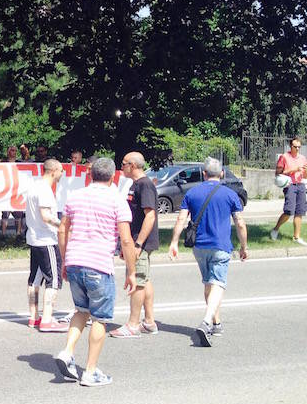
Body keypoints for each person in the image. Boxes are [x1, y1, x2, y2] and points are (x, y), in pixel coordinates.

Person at [53, 157, 137, 387]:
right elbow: (126, 240)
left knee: (81, 310)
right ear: (112, 177)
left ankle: (67, 352)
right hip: (99, 264)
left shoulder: (75, 197)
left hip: (74, 262)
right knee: (100, 318)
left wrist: (64, 261)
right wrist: (131, 271)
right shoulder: (117, 201)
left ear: (90, 175)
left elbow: (62, 230)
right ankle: (90, 371)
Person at [168, 157, 248, 346]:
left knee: (208, 284)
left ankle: (216, 322)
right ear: (221, 174)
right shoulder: (230, 195)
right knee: (218, 284)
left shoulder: (192, 193)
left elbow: (181, 219)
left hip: (199, 247)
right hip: (220, 246)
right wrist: (244, 246)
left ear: (204, 174)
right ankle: (205, 322)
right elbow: (240, 223)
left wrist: (174, 242)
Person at [110, 152, 160, 338]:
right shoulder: (136, 184)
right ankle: (149, 322)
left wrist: (138, 244)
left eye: (123, 164)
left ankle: (133, 324)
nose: (121, 167)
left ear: (132, 165)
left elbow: (150, 215)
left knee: (138, 280)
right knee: (144, 279)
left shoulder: (144, 185)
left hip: (140, 242)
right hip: (135, 240)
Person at [25, 159, 67, 332]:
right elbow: (46, 216)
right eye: (61, 170)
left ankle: (34, 317)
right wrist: (63, 226)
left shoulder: (34, 186)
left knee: (34, 278)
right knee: (53, 280)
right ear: (53, 170)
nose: (62, 173)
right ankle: (47, 319)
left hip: (34, 239)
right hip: (46, 240)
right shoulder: (44, 189)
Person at [270, 137, 307, 245]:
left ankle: (296, 237)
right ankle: (275, 229)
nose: (298, 149)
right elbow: (278, 173)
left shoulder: (303, 158)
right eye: (295, 147)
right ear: (291, 146)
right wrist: (294, 169)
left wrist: (305, 171)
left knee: (300, 212)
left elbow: (304, 174)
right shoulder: (284, 157)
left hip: (300, 185)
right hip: (289, 185)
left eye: (299, 147)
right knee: (289, 211)